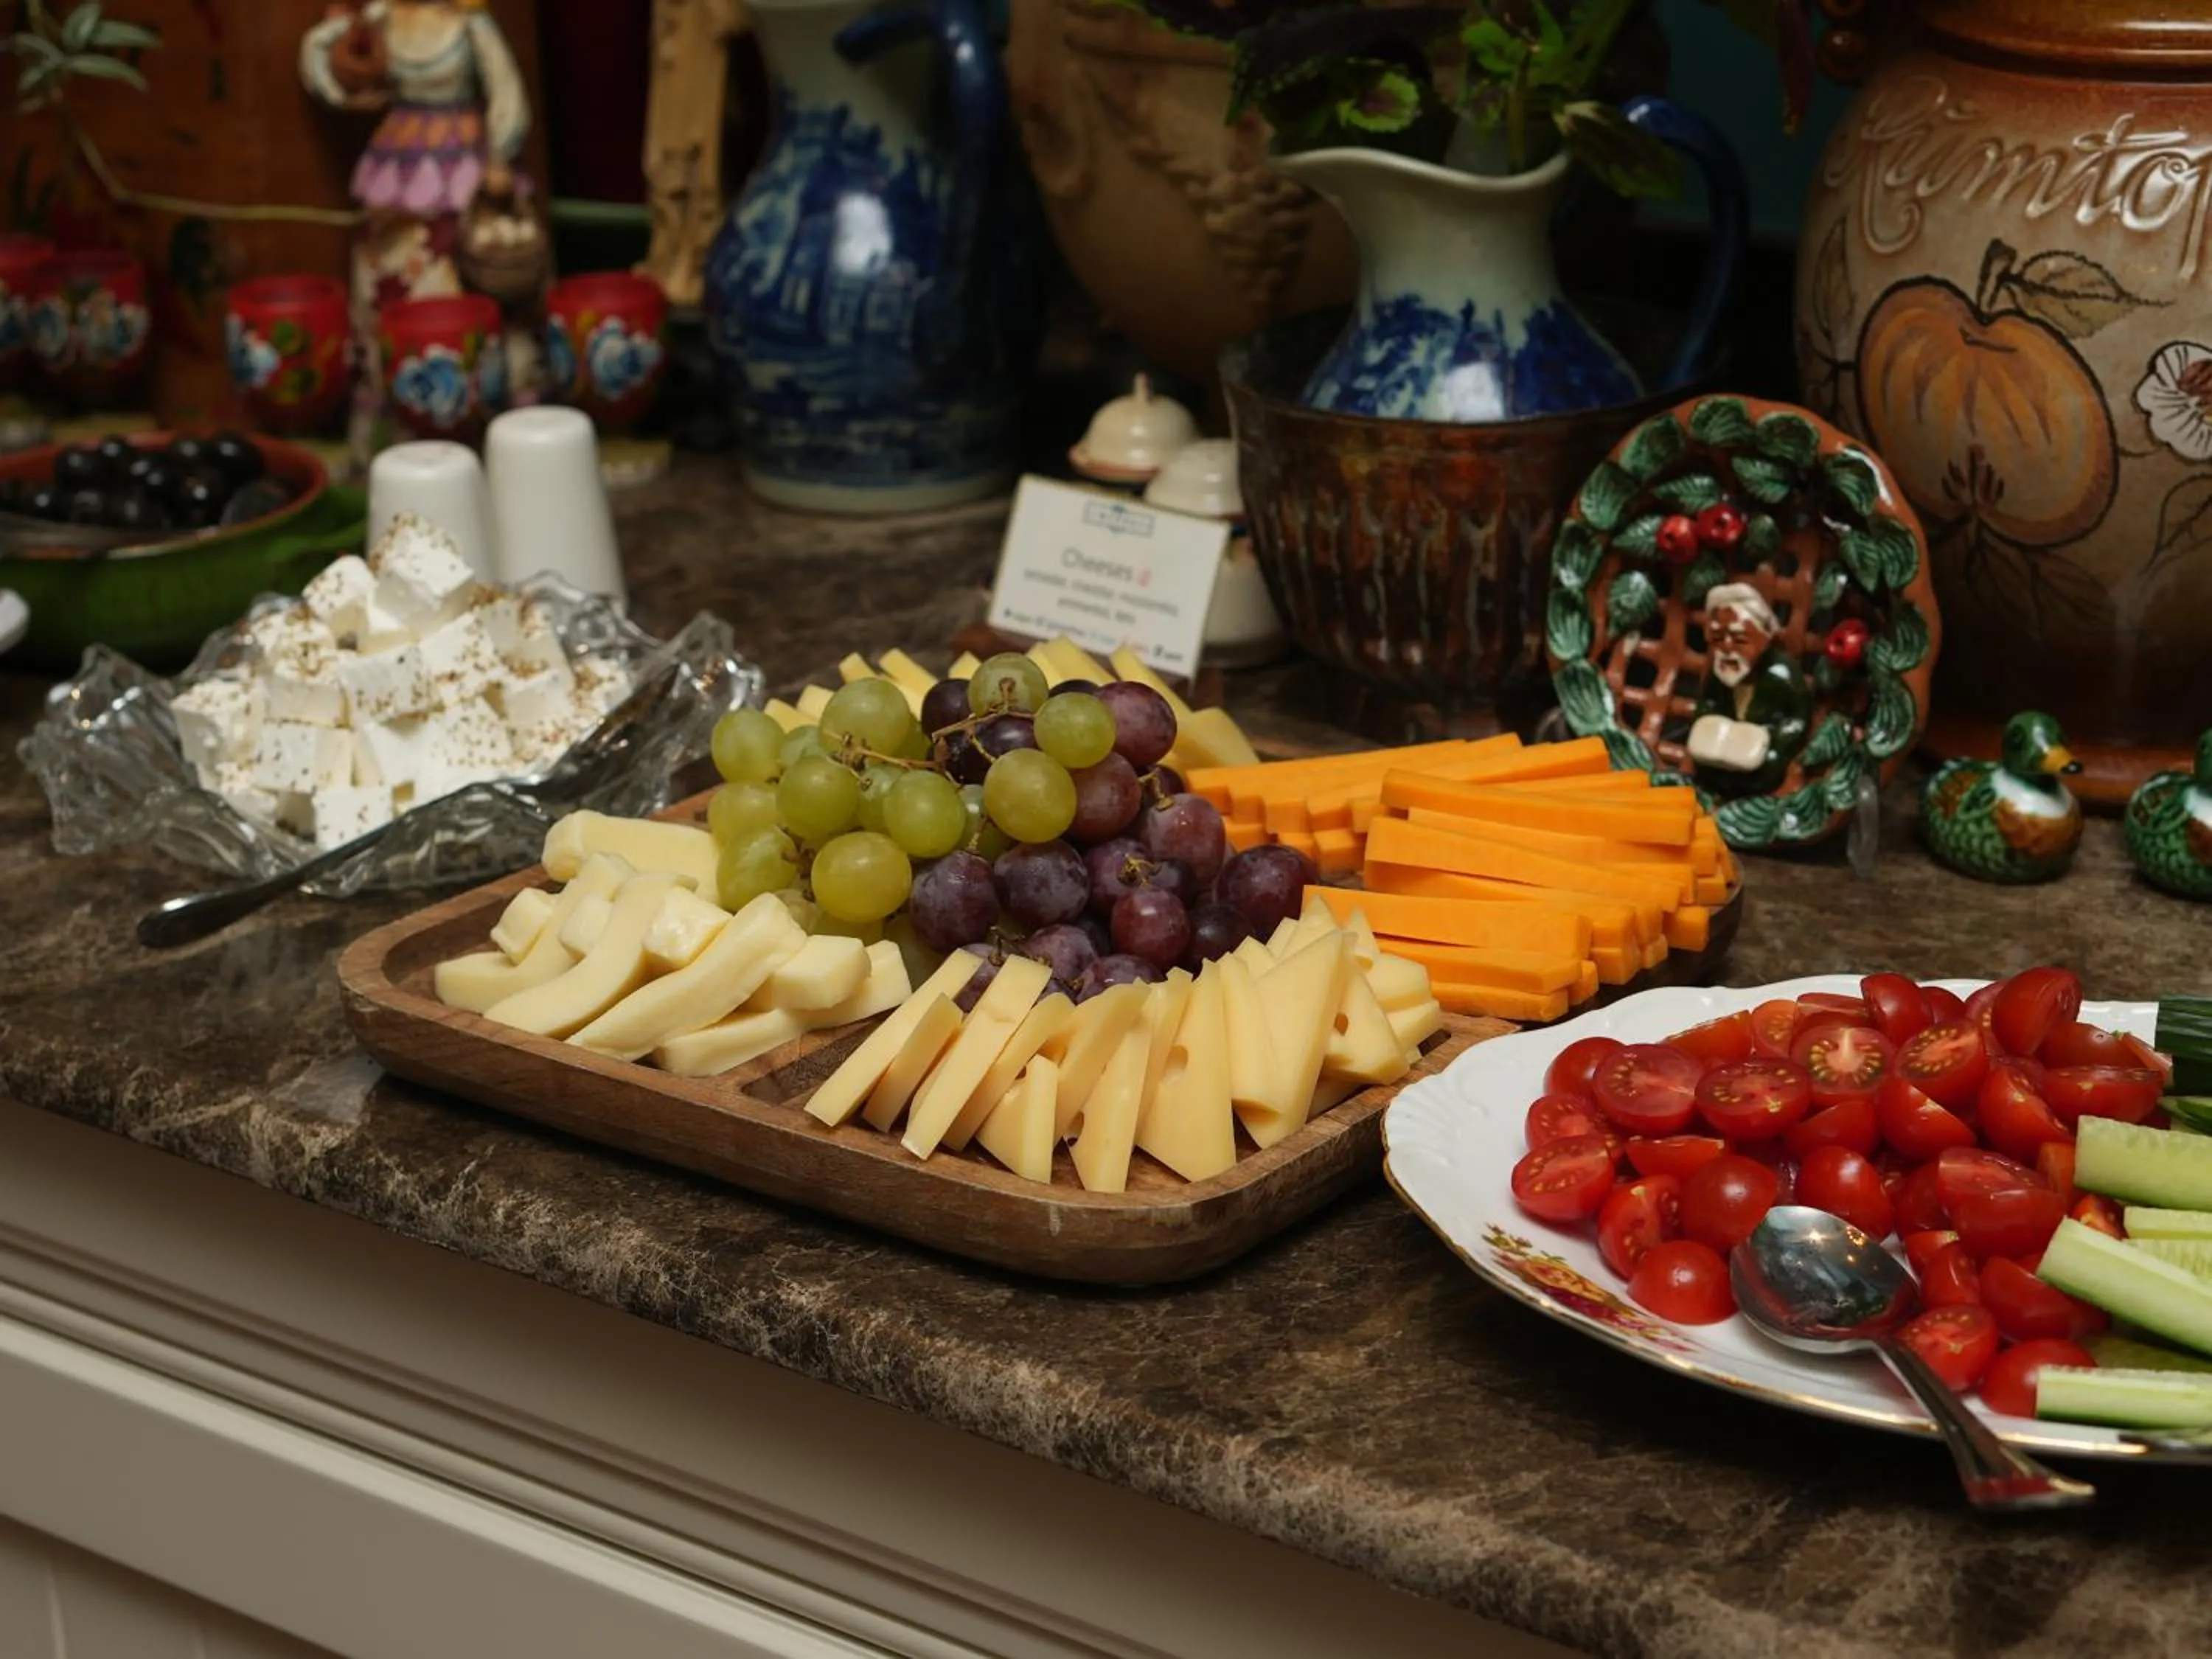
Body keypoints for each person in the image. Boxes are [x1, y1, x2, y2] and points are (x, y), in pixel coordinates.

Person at [1686, 582, 1810, 795]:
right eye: (1717, 639)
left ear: (1764, 640)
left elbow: (1797, 717)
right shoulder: (1720, 671)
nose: (1726, 648)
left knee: (1767, 766)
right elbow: (1708, 702)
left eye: (1739, 640)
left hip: (1761, 753)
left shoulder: (1782, 674)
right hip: (1721, 750)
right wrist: (1707, 721)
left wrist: (1772, 737)